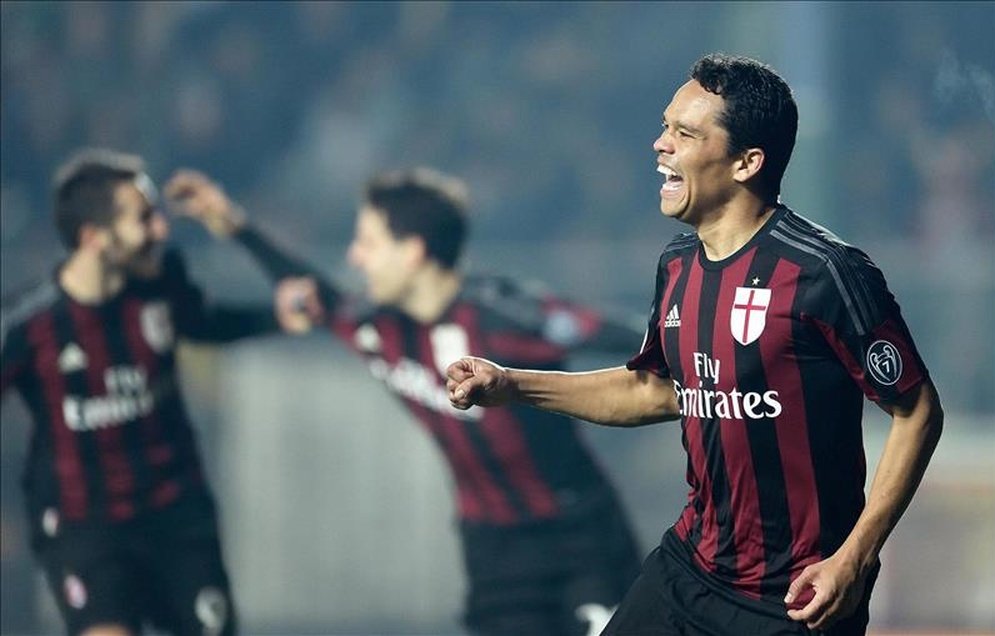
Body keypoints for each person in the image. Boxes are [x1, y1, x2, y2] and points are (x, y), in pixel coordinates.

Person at [446, 53, 944, 636]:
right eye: (665, 127)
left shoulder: (825, 273)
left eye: (684, 133)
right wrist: (510, 384)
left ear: (746, 162)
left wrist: (854, 558)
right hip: (691, 570)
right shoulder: (678, 263)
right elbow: (657, 392)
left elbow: (917, 411)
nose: (660, 145)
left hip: (797, 597)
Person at [167, 167, 647, 636]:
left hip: (581, 538)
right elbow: (313, 294)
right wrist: (236, 228)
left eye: (369, 243)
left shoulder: (503, 315)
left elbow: (627, 336)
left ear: (413, 252)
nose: (355, 257)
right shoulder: (379, 327)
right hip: (493, 552)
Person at [0, 149, 280, 636]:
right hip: (85, 525)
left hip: (177, 514)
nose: (160, 230)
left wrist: (277, 318)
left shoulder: (161, 287)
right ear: (93, 238)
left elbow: (205, 323)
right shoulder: (29, 325)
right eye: (143, 218)